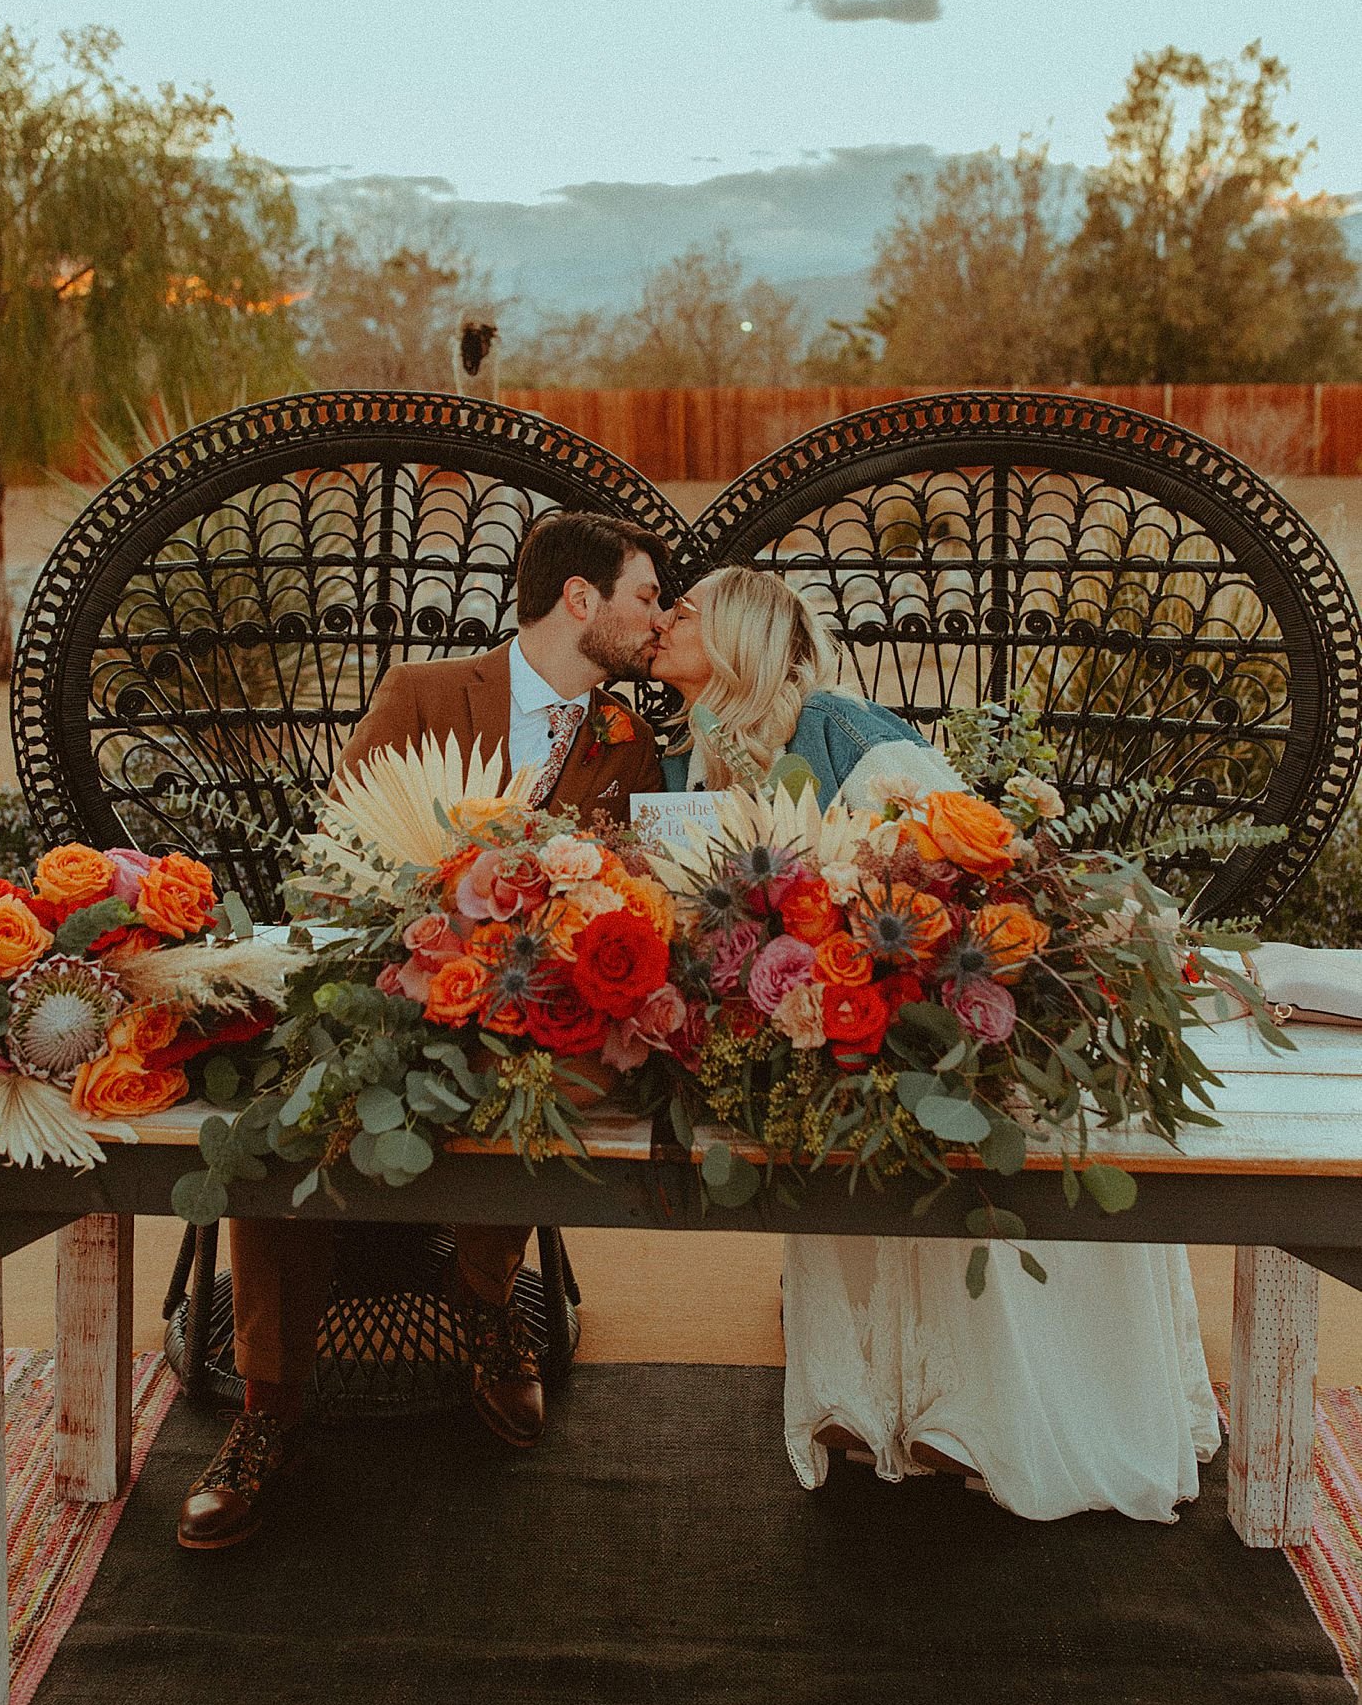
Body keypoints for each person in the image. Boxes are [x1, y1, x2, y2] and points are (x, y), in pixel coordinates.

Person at [651, 565, 1220, 1524]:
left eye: (688, 609)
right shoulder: (697, 762)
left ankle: (989, 1407)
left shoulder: (841, 730)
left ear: (740, 638)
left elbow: (971, 876)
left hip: (947, 1001)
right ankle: (886, 1401)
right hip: (825, 1022)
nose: (666, 619)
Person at [179, 510, 666, 1551]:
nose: (655, 619)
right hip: (387, 975)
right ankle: (270, 1411)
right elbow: (330, 855)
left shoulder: (631, 740)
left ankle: (488, 1311)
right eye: (644, 595)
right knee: (289, 1096)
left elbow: (641, 893)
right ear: (579, 599)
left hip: (528, 1001)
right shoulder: (425, 693)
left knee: (537, 1060)